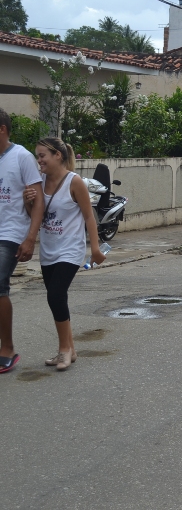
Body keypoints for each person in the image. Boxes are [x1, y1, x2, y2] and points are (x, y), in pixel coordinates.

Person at [24, 137, 105, 371]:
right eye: (37, 156)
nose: (39, 160)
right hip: (48, 249)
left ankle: (63, 351)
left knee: (56, 295)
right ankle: (71, 349)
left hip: (70, 249)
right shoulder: (39, 182)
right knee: (57, 298)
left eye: (42, 156)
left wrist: (95, 249)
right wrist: (27, 202)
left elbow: (89, 217)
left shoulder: (74, 182)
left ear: (57, 155)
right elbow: (35, 216)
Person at [0, 108, 45, 374]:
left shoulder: (21, 157)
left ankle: (7, 348)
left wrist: (30, 238)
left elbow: (37, 200)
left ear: (2, 130)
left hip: (10, 233)